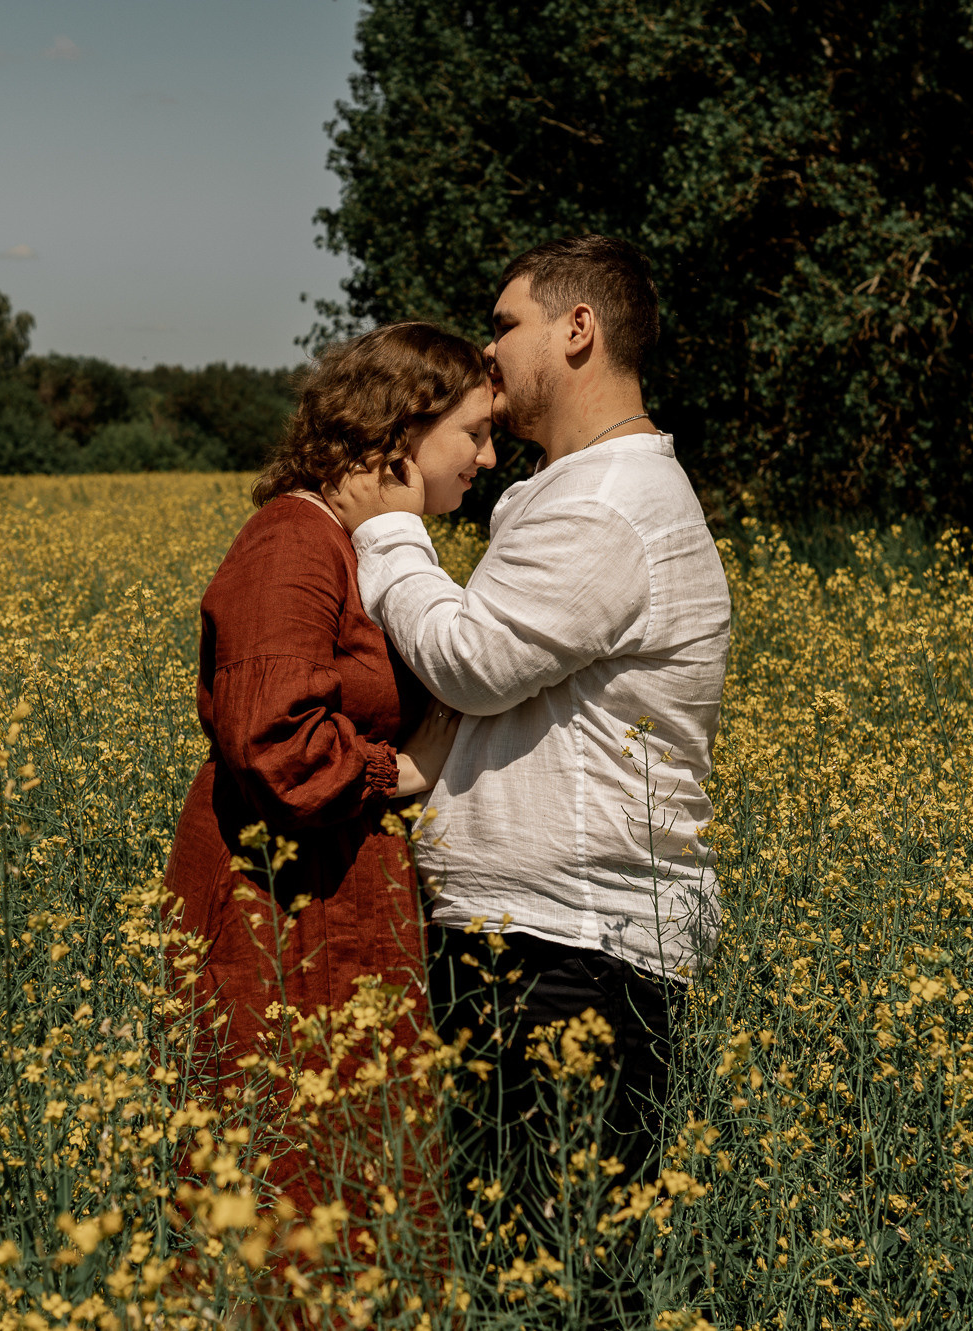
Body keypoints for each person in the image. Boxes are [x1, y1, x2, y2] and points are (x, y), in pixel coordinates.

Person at [325, 236, 733, 1260]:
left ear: (577, 330)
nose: (487, 349)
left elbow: (471, 661)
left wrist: (387, 529)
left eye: (505, 324)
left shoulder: (607, 503)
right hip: (543, 943)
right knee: (516, 1257)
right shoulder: (578, 491)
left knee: (549, 1268)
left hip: (567, 953)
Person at [161, 320, 496, 1244]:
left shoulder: (346, 545)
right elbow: (274, 740)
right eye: (472, 433)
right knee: (281, 1176)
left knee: (351, 1171)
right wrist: (401, 769)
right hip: (275, 909)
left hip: (331, 901)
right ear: (402, 430)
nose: (487, 456)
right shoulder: (292, 541)